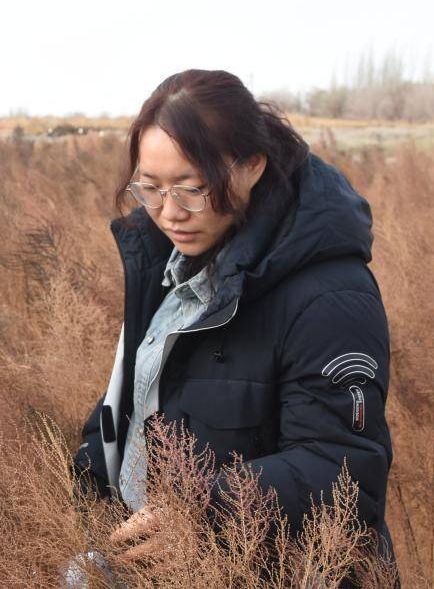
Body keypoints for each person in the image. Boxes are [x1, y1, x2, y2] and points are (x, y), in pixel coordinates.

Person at [73, 69, 394, 561]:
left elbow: (343, 469)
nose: (168, 212)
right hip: (157, 560)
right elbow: (135, 397)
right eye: (150, 187)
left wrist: (204, 516)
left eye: (191, 187)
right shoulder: (170, 262)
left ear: (251, 167)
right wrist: (86, 488)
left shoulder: (329, 297)